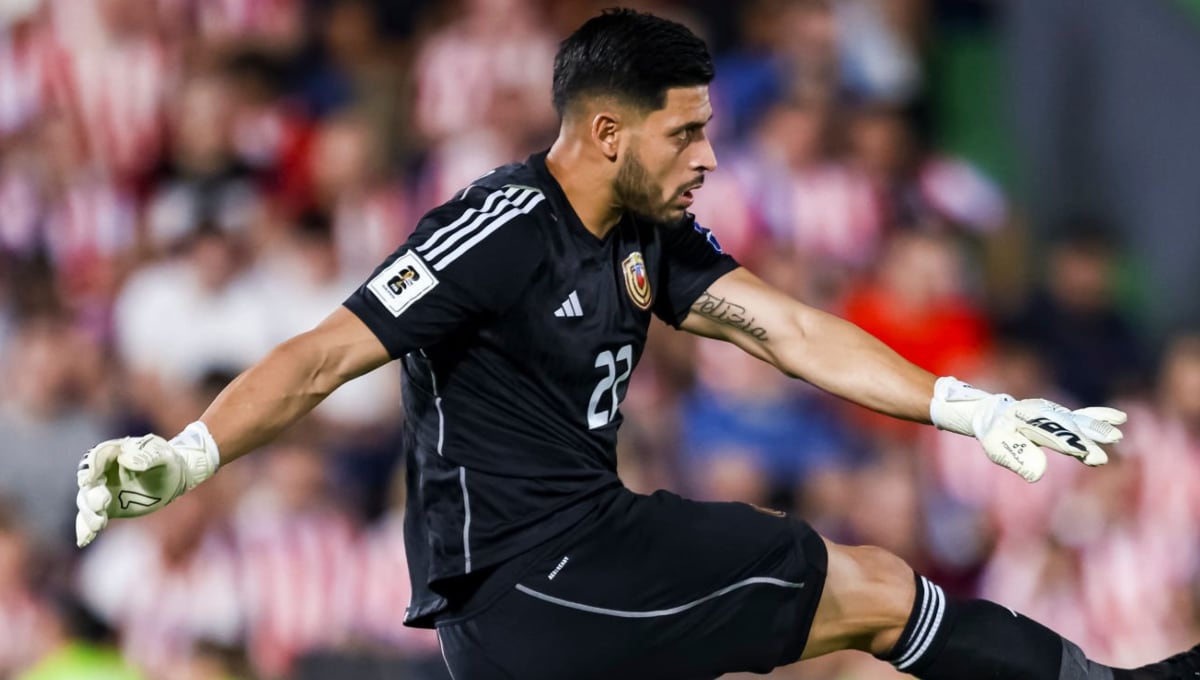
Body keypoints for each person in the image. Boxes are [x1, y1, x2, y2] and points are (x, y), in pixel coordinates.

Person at [73, 9, 1198, 680]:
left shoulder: (646, 229)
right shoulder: (499, 229)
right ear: (608, 131)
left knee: (873, 587)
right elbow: (323, 353)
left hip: (587, 558)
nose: (708, 156)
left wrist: (967, 405)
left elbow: (786, 326)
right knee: (870, 589)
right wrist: (189, 454)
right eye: (687, 132)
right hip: (523, 584)